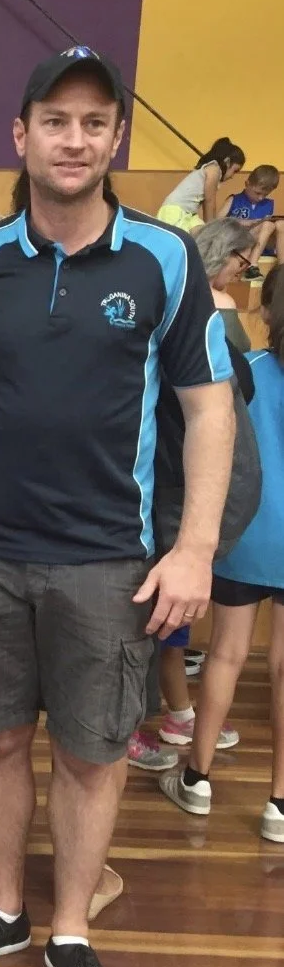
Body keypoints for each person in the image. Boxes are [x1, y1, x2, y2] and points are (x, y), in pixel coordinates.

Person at [0, 46, 235, 967]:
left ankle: (68, 929)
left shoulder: (164, 255)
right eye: (56, 120)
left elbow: (208, 408)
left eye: (95, 122)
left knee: (93, 752)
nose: (75, 138)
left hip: (111, 560)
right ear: (22, 135)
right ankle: (6, 909)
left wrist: (195, 549)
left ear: (116, 139)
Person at [161, 265, 284, 842]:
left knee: (228, 655)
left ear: (264, 310)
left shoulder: (246, 369)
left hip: (249, 534)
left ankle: (198, 777)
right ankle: (279, 802)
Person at [192, 217, 258, 352]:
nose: (240, 272)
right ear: (225, 253)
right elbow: (239, 350)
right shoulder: (221, 302)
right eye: (242, 263)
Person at [157, 136, 245, 231]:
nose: (232, 176)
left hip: (189, 214)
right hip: (175, 211)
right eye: (235, 171)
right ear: (227, 162)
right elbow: (209, 201)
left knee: (201, 236)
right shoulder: (214, 169)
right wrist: (211, 229)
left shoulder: (212, 171)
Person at [220, 164, 282, 280]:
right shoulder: (234, 199)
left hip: (259, 243)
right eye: (258, 193)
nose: (261, 198)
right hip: (239, 239)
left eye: (265, 194)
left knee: (279, 224)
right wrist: (241, 222)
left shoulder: (268, 204)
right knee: (268, 225)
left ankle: (281, 269)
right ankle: (252, 266)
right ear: (247, 184)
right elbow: (217, 221)